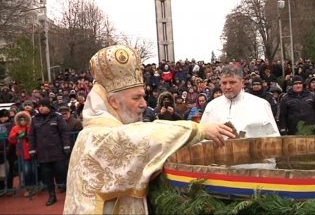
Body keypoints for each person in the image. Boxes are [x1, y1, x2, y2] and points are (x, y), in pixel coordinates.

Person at [63, 45, 235, 215]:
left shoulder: (105, 130)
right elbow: (144, 137)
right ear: (113, 102)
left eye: (143, 97)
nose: (144, 104)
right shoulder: (96, 134)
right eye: (136, 98)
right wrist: (198, 129)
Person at [200, 65, 280, 138]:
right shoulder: (211, 106)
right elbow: (203, 136)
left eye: (232, 82)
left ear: (242, 83)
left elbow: (273, 137)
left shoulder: (260, 105)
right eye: (224, 83)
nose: (227, 87)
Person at [28, 98, 70, 206]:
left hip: (57, 151)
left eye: (42, 106)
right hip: (43, 153)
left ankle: (70, 193)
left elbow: (64, 132)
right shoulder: (35, 119)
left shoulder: (57, 117)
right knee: (47, 175)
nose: (40, 108)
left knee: (62, 171)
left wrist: (66, 146)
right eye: (39, 106)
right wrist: (32, 149)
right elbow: (32, 136)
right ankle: (52, 196)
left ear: (48, 106)